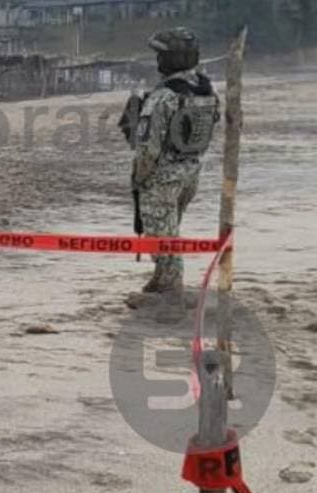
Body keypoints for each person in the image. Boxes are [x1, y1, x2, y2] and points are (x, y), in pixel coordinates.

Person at [131, 27, 221, 295]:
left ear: (169, 59)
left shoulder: (163, 96)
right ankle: (161, 280)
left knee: (160, 236)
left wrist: (139, 179)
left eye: (161, 55)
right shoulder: (206, 89)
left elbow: (148, 149)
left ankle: (170, 291)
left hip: (163, 177)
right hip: (191, 172)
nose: (158, 60)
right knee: (170, 230)